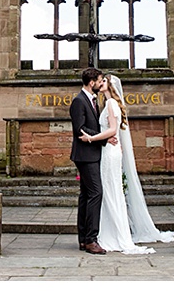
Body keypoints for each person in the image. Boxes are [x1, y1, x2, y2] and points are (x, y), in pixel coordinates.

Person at [79, 74, 160, 254]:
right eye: (100, 80)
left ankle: (113, 234)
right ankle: (108, 232)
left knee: (109, 191)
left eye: (104, 81)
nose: (101, 83)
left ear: (110, 86)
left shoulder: (110, 104)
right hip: (107, 149)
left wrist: (91, 138)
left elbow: (113, 130)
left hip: (109, 151)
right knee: (108, 191)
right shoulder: (106, 104)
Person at [69, 67, 108, 255]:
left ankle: (84, 239)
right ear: (91, 82)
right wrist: (103, 137)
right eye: (100, 81)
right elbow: (80, 128)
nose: (101, 84)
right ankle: (91, 240)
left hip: (90, 153)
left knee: (86, 195)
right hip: (85, 155)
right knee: (96, 194)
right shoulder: (79, 101)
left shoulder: (91, 100)